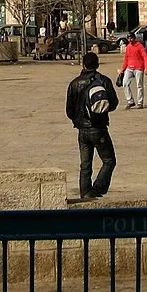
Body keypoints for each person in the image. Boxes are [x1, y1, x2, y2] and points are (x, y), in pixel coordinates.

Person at [65, 51, 119, 200]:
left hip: (82, 130)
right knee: (109, 160)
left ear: (83, 65)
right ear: (97, 65)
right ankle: (97, 188)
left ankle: (85, 192)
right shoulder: (104, 81)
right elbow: (113, 104)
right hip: (99, 128)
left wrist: (78, 120)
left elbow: (69, 110)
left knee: (85, 163)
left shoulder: (74, 83)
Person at [119, 32, 147, 109]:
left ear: (134, 38)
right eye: (128, 38)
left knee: (139, 85)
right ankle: (130, 101)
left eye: (131, 38)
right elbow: (126, 59)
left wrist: (146, 68)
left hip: (138, 68)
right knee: (125, 83)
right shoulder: (128, 47)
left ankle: (140, 102)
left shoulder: (139, 46)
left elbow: (145, 57)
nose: (130, 40)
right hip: (129, 68)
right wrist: (123, 69)